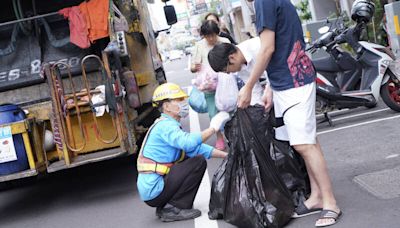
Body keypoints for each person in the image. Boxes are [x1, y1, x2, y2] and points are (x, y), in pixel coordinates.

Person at [237, 0, 342, 227]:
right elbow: (282, 44)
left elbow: (268, 49)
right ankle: (316, 196)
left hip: (294, 82)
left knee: (304, 145)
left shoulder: (263, 2)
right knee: (306, 141)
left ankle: (330, 203)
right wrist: (270, 87)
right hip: (289, 81)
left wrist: (248, 87)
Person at [136, 83, 229, 222]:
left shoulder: (168, 125)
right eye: (179, 100)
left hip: (154, 190)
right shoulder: (165, 126)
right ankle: (174, 208)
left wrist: (227, 156)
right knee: (197, 162)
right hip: (154, 190)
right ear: (166, 106)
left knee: (193, 157)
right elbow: (189, 143)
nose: (184, 103)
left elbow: (195, 148)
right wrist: (212, 129)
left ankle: (167, 206)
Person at [191, 20, 230, 150]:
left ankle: (233, 135)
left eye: (213, 35)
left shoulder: (225, 42)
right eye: (208, 36)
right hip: (210, 86)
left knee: (231, 109)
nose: (211, 39)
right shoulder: (199, 46)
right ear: (203, 35)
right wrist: (194, 67)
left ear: (217, 33)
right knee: (213, 113)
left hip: (226, 83)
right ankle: (219, 138)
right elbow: (193, 67)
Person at [208, 37, 272, 109]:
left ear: (232, 58)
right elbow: (254, 89)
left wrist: (269, 89)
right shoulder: (240, 67)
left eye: (227, 70)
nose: (229, 73)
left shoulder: (257, 48)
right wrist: (258, 108)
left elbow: (274, 71)